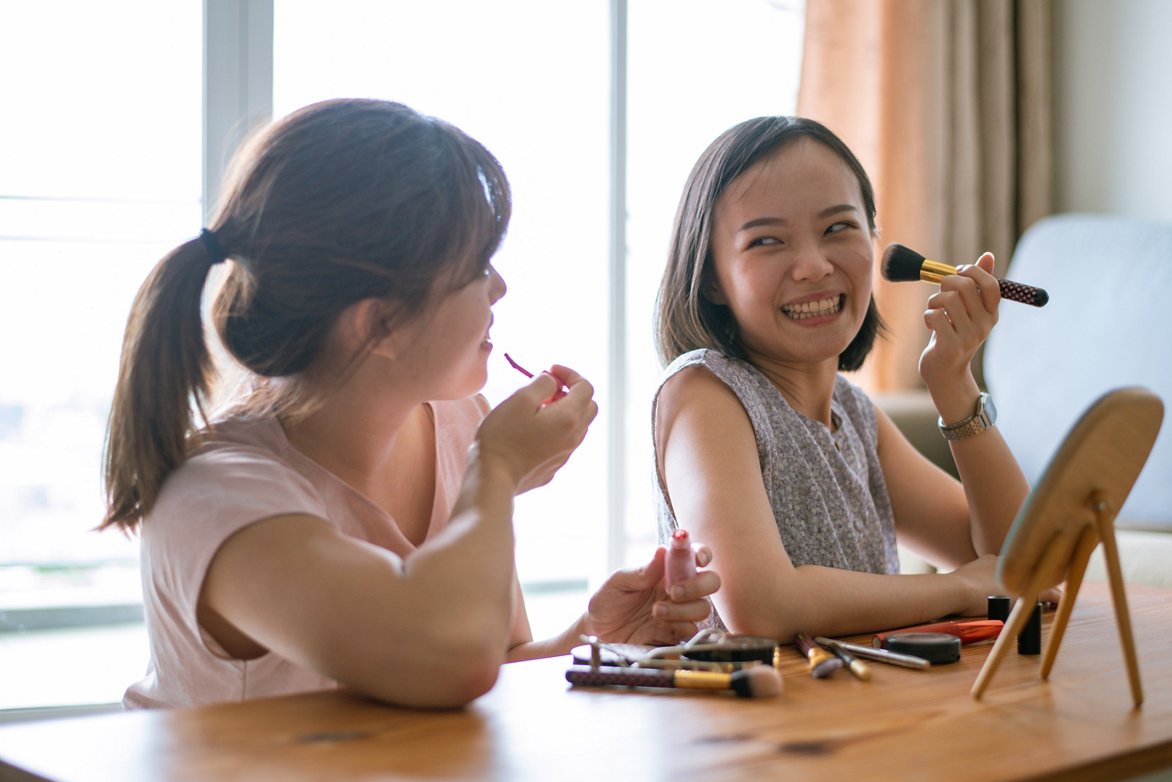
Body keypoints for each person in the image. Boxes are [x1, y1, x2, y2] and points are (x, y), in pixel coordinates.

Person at [100, 98, 718, 711]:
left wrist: (592, 641)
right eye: (477, 267)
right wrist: (496, 472)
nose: (499, 287)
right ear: (382, 323)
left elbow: (485, 663)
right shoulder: (219, 496)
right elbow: (449, 662)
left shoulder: (458, 424)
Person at [651, 115, 1055, 641]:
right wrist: (960, 589)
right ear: (710, 279)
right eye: (767, 241)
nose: (814, 266)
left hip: (864, 707)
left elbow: (1021, 561)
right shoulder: (704, 394)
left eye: (837, 228)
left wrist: (954, 382)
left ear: (874, 239)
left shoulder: (855, 414)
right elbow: (762, 607)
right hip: (759, 716)